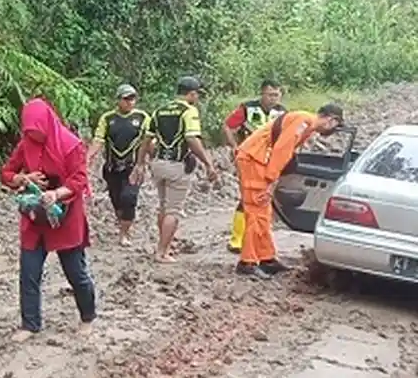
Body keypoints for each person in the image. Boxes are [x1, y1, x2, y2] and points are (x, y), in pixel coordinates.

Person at [0, 98, 97, 342]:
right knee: (29, 271)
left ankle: (87, 317)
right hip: (36, 217)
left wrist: (57, 193)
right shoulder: (26, 144)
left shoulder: (70, 145)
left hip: (65, 215)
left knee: (76, 272)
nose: (33, 136)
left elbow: (79, 179)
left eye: (37, 131)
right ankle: (30, 323)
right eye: (29, 131)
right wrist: (24, 179)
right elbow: (6, 173)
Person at [236, 104, 344, 278]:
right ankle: (247, 262)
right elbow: (282, 150)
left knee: (264, 212)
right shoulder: (303, 122)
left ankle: (266, 258)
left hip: (259, 159)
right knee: (257, 210)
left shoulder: (306, 125)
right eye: (336, 125)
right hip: (254, 159)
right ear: (331, 119)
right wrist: (272, 180)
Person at [142, 76, 220, 264]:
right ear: (191, 94)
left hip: (158, 164)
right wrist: (208, 163)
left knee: (163, 206)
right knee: (174, 211)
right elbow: (192, 139)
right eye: (197, 94)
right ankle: (162, 252)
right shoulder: (189, 111)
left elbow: (146, 140)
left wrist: (139, 163)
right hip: (177, 165)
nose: (197, 98)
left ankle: (164, 246)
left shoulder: (159, 111)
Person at [223, 80, 287, 253]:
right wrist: (234, 146)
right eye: (270, 94)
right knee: (246, 197)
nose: (273, 98)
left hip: (270, 160)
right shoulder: (247, 108)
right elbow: (228, 126)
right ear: (262, 93)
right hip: (249, 159)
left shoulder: (282, 112)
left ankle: (257, 237)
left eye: (277, 95)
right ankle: (236, 239)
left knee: (263, 199)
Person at [88, 84, 151, 246]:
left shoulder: (142, 117)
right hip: (112, 167)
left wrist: (150, 157)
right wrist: (88, 157)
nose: (130, 102)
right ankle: (123, 222)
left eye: (133, 98)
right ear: (118, 100)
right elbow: (99, 140)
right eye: (126, 99)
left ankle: (124, 233)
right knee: (116, 200)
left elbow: (149, 139)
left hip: (133, 167)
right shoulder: (108, 118)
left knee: (128, 198)